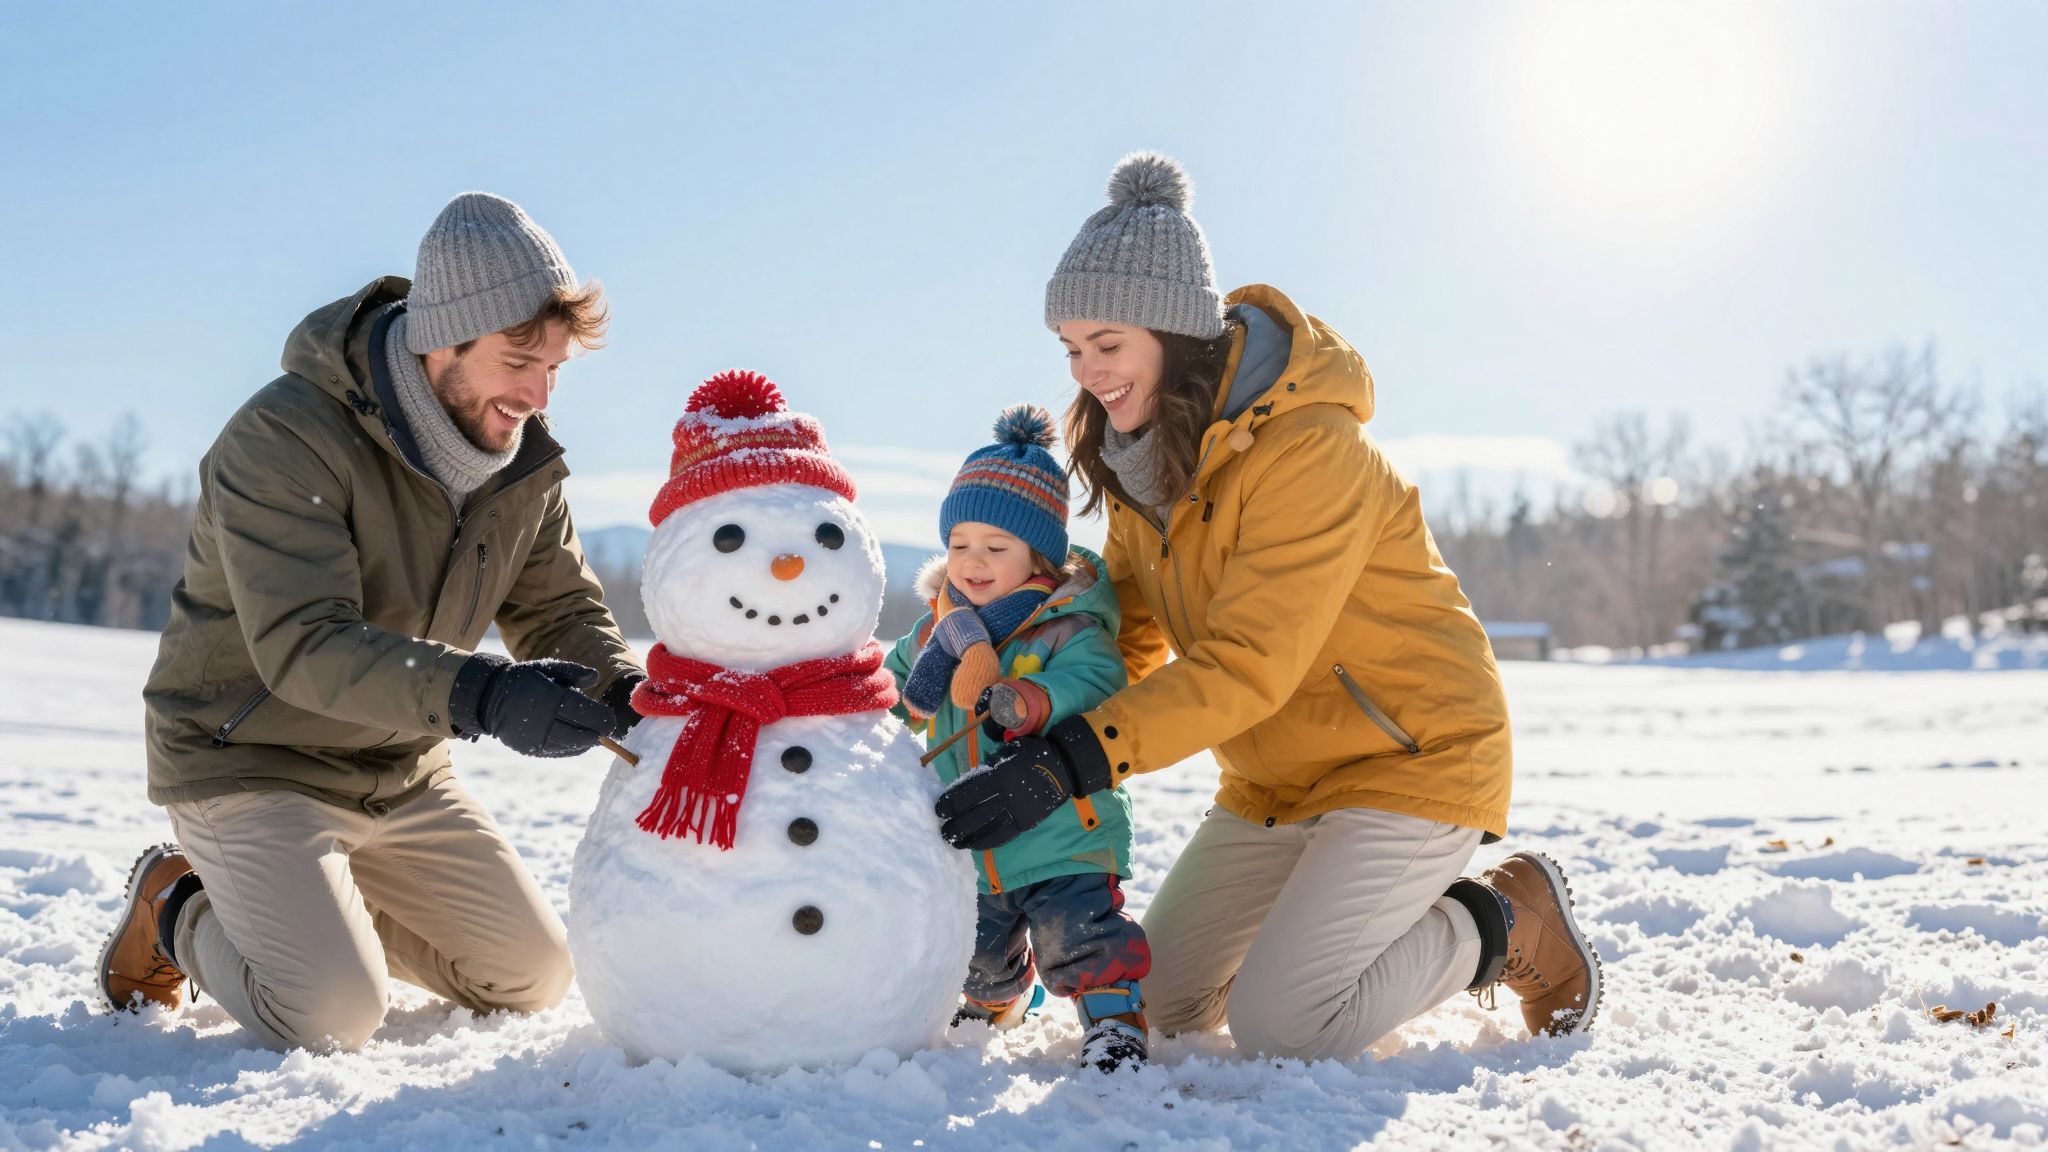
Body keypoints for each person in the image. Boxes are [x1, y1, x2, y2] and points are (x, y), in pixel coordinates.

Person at [935, 154, 1603, 1062]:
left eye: (1108, 344)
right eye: (1072, 348)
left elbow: (1250, 661)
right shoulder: (1141, 465)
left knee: (1289, 1024)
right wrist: (1027, 710)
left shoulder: (1311, 449)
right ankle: (1321, 930)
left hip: (1412, 757)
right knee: (1163, 1003)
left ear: (1172, 330)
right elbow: (1122, 638)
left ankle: (1506, 919)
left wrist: (1072, 762)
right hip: (1275, 782)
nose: (1089, 372)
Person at [98, 192, 646, 1052]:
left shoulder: (518, 464)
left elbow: (558, 608)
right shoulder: (284, 437)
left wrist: (630, 696)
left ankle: (311, 913)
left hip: (399, 766)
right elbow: (304, 644)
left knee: (532, 978)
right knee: (330, 1014)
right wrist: (485, 695)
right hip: (250, 755)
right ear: (441, 340)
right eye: (518, 361)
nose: (538, 394)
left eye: (555, 368)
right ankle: (178, 902)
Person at [884, 406, 1144, 1073]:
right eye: (959, 545)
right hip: (975, 835)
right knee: (976, 949)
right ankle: (996, 1001)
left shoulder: (1066, 625)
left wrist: (1032, 699)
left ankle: (1114, 1023)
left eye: (996, 548)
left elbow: (1096, 682)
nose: (973, 562)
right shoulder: (935, 633)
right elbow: (890, 691)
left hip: (1066, 832)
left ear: (1038, 556)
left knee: (1079, 934)